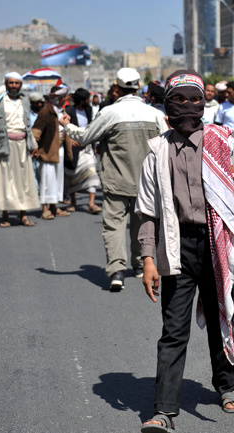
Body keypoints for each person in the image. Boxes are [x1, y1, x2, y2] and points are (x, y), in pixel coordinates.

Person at [136, 69, 234, 433]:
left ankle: (226, 385)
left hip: (217, 242)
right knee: (173, 329)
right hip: (177, 248)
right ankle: (164, 410)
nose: (187, 106)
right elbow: (146, 211)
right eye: (179, 99)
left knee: (223, 315)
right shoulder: (156, 152)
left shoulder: (224, 142)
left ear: (203, 103)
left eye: (194, 98)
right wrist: (147, 258)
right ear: (166, 106)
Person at [60, 68, 168, 291]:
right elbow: (167, 146)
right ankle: (139, 265)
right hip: (147, 184)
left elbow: (85, 137)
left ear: (117, 89)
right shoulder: (154, 114)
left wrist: (66, 125)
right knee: (142, 226)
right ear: (138, 87)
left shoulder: (109, 113)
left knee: (114, 226)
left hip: (115, 180)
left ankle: (117, 270)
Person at [0, 72, 40, 227]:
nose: (14, 86)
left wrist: (33, 146)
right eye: (11, 83)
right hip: (5, 144)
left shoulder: (25, 101)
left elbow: (28, 126)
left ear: (21, 85)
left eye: (17, 83)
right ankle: (5, 215)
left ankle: (23, 215)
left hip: (23, 144)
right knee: (5, 180)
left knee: (24, 180)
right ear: (6, 84)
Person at [31, 86, 71, 220]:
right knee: (46, 180)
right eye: (64, 97)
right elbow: (36, 130)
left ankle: (54, 207)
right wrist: (34, 147)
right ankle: (44, 209)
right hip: (47, 151)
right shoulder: (46, 111)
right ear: (58, 98)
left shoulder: (59, 111)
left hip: (58, 150)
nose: (66, 99)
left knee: (56, 180)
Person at [63, 87, 101, 213]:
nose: (89, 100)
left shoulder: (88, 110)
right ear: (81, 100)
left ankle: (91, 203)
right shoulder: (69, 111)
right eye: (87, 98)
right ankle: (73, 203)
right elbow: (63, 128)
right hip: (74, 149)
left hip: (87, 149)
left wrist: (94, 144)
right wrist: (69, 139)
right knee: (73, 176)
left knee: (92, 172)